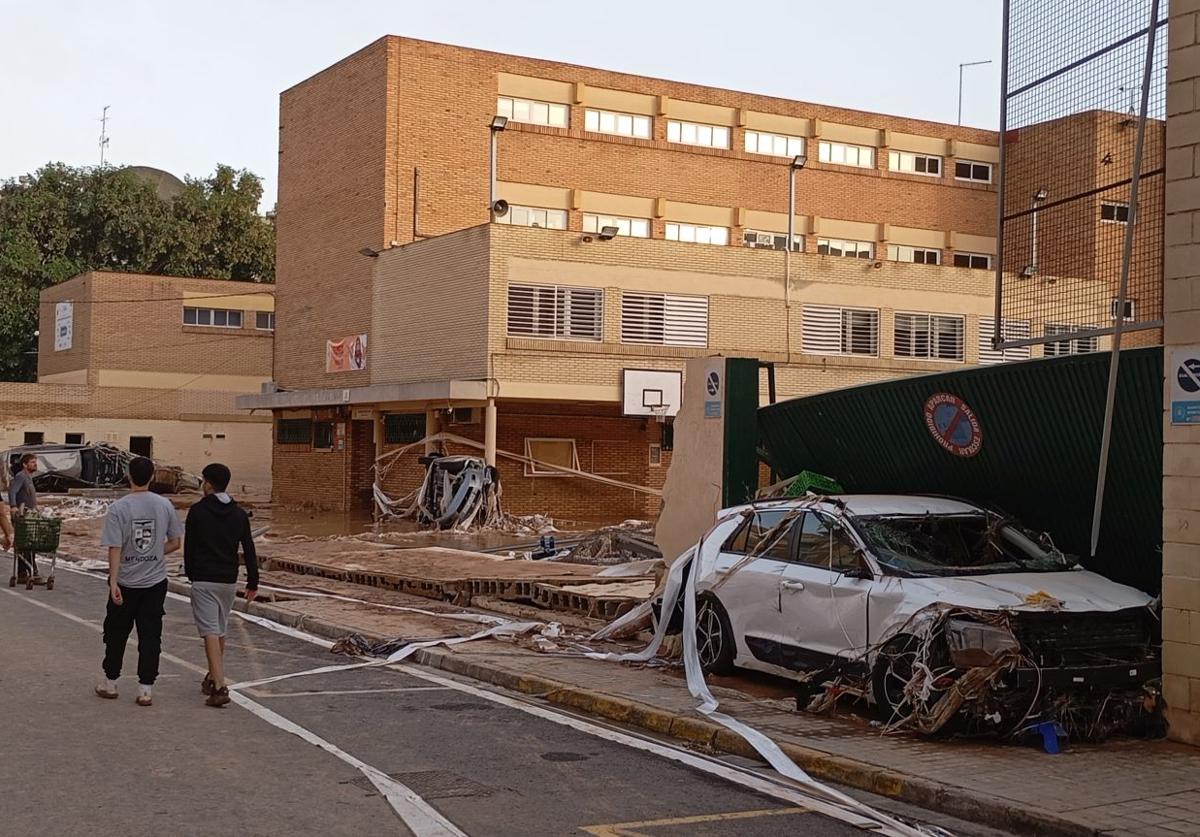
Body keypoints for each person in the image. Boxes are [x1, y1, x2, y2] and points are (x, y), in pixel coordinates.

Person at [95, 456, 182, 706]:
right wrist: (154, 552)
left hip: (125, 581)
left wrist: (113, 582)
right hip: (155, 582)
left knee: (115, 633)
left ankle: (110, 682)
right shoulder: (164, 505)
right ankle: (146, 688)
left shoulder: (118, 508)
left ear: (128, 476)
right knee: (151, 635)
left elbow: (114, 548)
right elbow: (176, 542)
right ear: (152, 477)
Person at [184, 462, 258, 708]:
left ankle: (220, 685)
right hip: (228, 579)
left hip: (204, 578)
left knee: (209, 632)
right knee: (220, 629)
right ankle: (211, 676)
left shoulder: (197, 512)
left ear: (208, 484)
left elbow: (190, 547)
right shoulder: (239, 514)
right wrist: (252, 581)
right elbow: (248, 549)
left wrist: (192, 574)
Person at [9, 453, 42, 583]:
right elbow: (13, 491)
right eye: (32, 462)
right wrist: (13, 506)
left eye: (35, 462)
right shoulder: (21, 476)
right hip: (23, 515)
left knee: (26, 544)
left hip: (30, 514)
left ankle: (23, 573)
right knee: (27, 544)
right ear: (24, 464)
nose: (35, 464)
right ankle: (32, 571)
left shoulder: (28, 477)